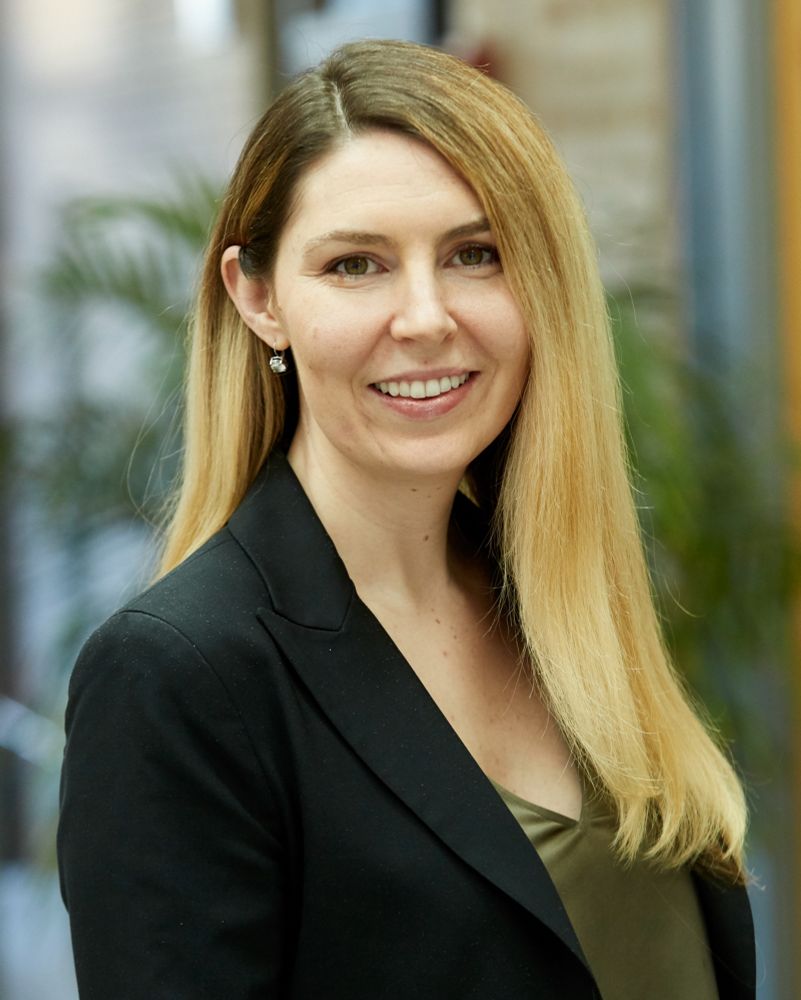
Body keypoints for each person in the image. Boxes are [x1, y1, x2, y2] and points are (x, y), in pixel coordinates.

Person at [57, 38, 755, 999]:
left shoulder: (563, 611)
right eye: (356, 265)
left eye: (476, 254)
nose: (425, 317)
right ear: (258, 299)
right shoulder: (181, 676)